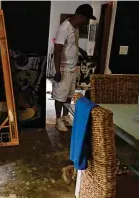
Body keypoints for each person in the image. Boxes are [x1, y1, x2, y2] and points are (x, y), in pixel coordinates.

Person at [53, 4, 96, 132]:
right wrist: (57, 70)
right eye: (87, 19)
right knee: (60, 96)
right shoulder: (64, 28)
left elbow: (72, 45)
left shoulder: (75, 27)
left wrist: (81, 51)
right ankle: (57, 120)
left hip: (73, 68)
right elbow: (57, 51)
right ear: (80, 16)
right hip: (64, 68)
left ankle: (66, 116)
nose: (87, 22)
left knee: (69, 95)